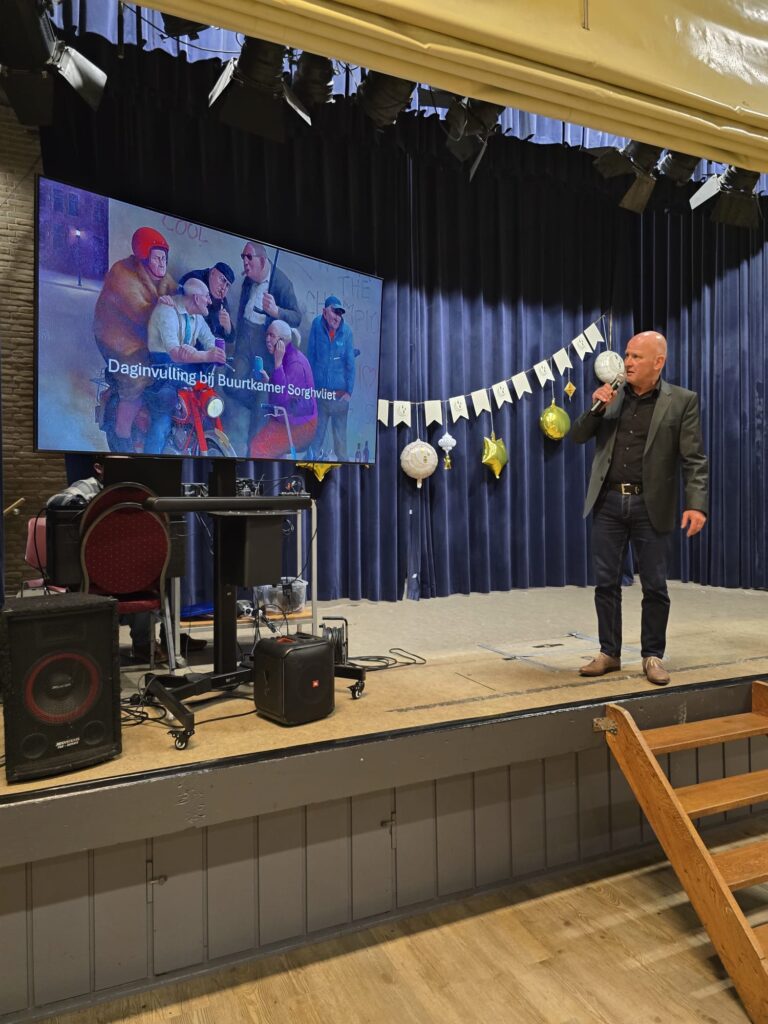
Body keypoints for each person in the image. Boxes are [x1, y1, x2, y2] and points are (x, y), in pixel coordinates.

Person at [571, 330, 708, 686]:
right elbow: (578, 435)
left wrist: (697, 505)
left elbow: (694, 459)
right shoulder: (612, 396)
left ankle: (652, 655)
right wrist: (596, 408)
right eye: (627, 355)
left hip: (651, 504)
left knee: (655, 586)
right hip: (609, 501)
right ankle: (609, 653)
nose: (627, 362)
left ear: (658, 362)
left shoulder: (682, 401)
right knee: (606, 583)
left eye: (636, 357)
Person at [93, 227, 177, 452]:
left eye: (164, 258)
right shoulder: (122, 274)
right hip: (119, 338)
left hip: (148, 337)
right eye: (157, 258)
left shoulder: (162, 278)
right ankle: (122, 435)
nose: (162, 263)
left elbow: (178, 296)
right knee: (137, 378)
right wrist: (163, 308)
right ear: (144, 257)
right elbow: (141, 313)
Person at [227, 241, 302, 452]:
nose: (245, 262)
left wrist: (276, 311)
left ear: (262, 260)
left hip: (265, 344)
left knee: (262, 397)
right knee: (231, 384)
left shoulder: (282, 283)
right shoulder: (248, 280)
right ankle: (265, 405)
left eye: (249, 257)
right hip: (245, 342)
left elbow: (296, 317)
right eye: (243, 257)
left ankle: (253, 449)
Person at [143, 278, 226, 455]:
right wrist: (206, 355)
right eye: (206, 297)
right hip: (160, 372)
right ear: (196, 298)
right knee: (162, 423)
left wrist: (216, 352)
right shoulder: (167, 310)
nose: (209, 301)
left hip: (183, 372)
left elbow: (210, 341)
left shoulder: (197, 317)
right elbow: (174, 353)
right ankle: (151, 460)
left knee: (203, 407)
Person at [249, 321, 318, 458]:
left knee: (258, 447)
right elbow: (285, 391)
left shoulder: (295, 363)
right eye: (267, 335)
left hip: (300, 425)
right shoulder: (289, 356)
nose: (267, 339)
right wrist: (269, 381)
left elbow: (282, 401)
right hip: (288, 419)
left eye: (272, 335)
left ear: (282, 341)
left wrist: (278, 364)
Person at [306, 296, 356, 461]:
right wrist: (309, 387)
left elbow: (350, 364)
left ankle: (346, 474)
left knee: (340, 444)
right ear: (324, 312)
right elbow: (311, 356)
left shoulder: (347, 332)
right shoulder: (316, 325)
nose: (337, 317)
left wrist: (348, 392)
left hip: (339, 396)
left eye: (340, 314)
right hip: (320, 394)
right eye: (334, 312)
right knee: (315, 439)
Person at [178, 262, 235, 343]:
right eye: (222, 280)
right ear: (212, 273)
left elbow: (231, 338)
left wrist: (228, 329)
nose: (223, 288)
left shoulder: (221, 298)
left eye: (227, 285)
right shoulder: (194, 280)